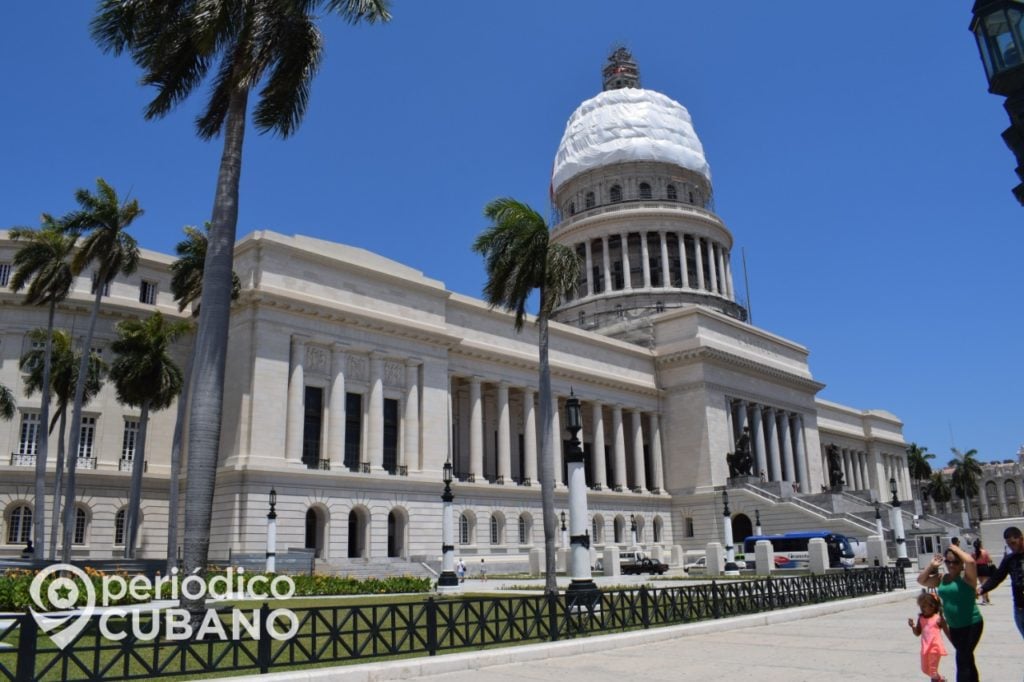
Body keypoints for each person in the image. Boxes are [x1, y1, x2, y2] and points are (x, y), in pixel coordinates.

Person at [918, 543, 983, 682]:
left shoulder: (967, 578)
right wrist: (932, 565)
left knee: (962, 659)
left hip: (972, 624)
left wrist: (956, 549)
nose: (951, 565)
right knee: (967, 659)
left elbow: (971, 561)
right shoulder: (942, 579)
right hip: (954, 627)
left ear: (961, 563)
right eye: (948, 561)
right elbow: (921, 580)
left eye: (955, 562)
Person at [977, 526, 1024, 640]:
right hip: (1020, 607)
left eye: (1013, 543)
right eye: (1009, 544)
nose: (1011, 547)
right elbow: (997, 578)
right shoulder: (1009, 559)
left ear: (1021, 539)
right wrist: (982, 589)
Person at [908, 591, 949, 682]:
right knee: (925, 669)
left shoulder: (937, 618)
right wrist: (912, 626)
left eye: (924, 606)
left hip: (935, 648)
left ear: (933, 606)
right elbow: (917, 633)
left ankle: (936, 679)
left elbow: (947, 631)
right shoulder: (921, 619)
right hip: (925, 648)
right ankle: (941, 679)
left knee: (933, 671)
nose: (922, 609)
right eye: (921, 606)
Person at [972, 539, 991, 605]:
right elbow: (989, 560)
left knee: (982, 583)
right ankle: (984, 599)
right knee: (984, 584)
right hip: (984, 567)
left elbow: (972, 561)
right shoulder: (984, 552)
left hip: (978, 568)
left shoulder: (974, 553)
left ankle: (986, 598)